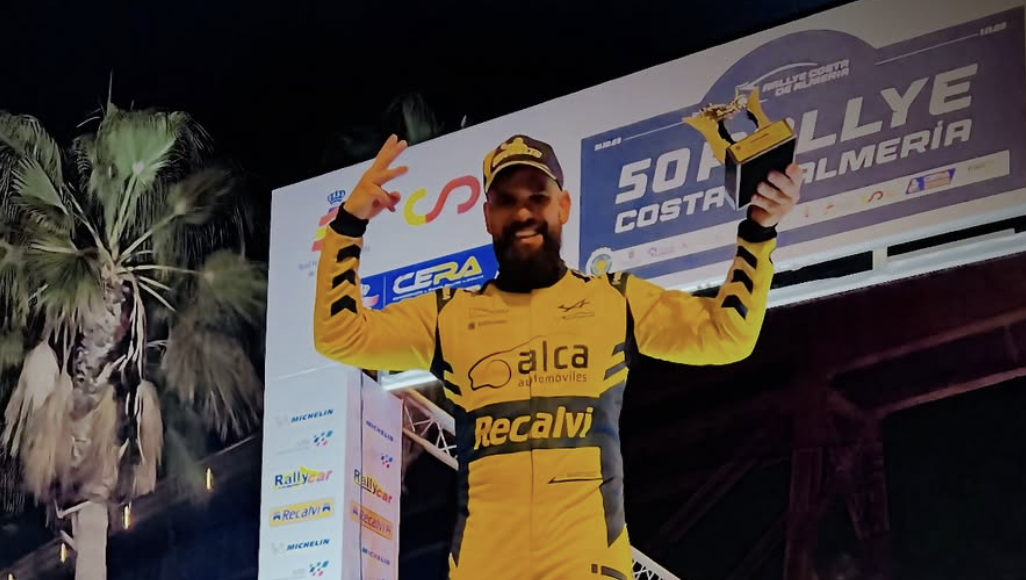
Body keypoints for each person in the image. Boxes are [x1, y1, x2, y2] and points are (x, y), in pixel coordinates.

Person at [313, 133, 803, 580]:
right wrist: (349, 225)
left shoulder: (614, 301)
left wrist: (759, 233)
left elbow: (726, 334)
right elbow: (339, 334)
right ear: (488, 216)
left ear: (563, 206)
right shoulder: (449, 315)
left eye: (537, 197)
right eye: (507, 201)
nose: (523, 213)